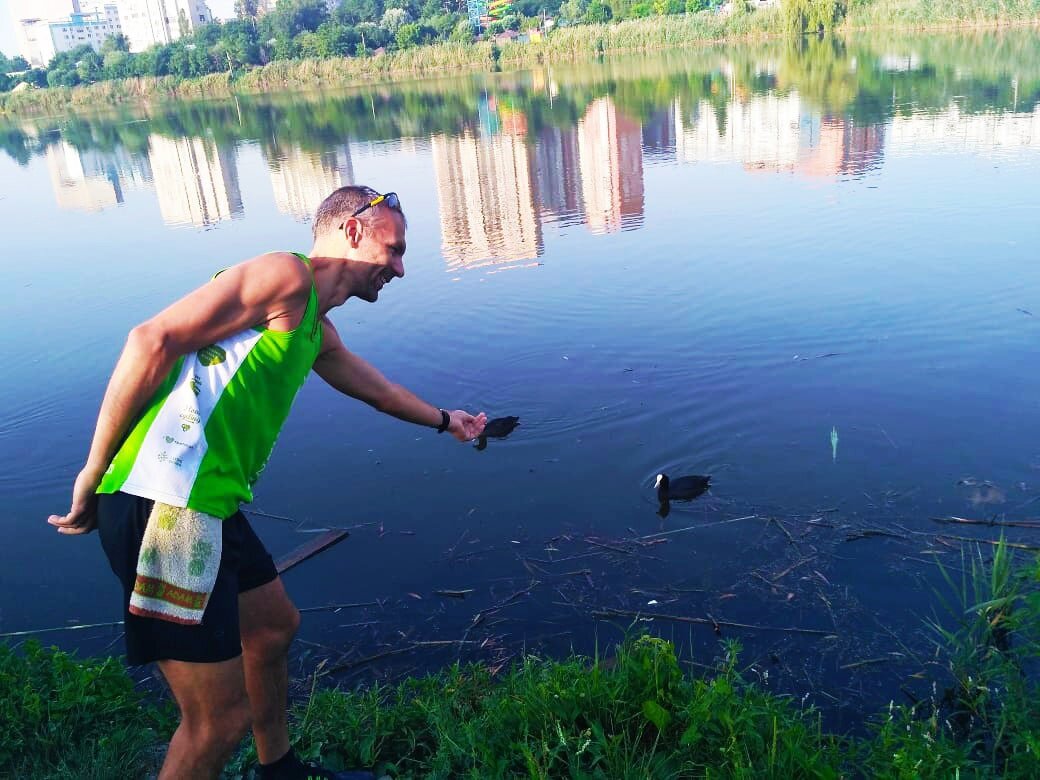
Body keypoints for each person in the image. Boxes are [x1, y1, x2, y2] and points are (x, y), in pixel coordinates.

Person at [47, 186, 487, 780]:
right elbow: (150, 340)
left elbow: (378, 391)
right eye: (395, 248)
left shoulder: (314, 328)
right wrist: (93, 470)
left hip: (207, 504)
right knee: (217, 720)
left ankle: (278, 771)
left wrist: (446, 420)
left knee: (274, 627)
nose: (400, 268)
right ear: (354, 230)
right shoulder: (285, 278)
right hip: (167, 508)